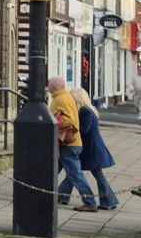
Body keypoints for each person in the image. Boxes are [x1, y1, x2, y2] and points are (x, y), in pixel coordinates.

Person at [48, 77, 99, 211]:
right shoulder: (63, 97)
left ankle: (90, 202)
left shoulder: (61, 99)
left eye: (49, 84)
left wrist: (54, 122)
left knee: (75, 175)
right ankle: (50, 195)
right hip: (66, 144)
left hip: (68, 145)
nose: (48, 87)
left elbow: (69, 119)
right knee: (51, 170)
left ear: (54, 86)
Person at [71, 84, 119, 209]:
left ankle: (109, 201)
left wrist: (73, 128)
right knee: (74, 171)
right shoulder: (89, 109)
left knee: (93, 173)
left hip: (91, 148)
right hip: (92, 147)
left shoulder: (84, 111)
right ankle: (109, 201)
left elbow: (85, 130)